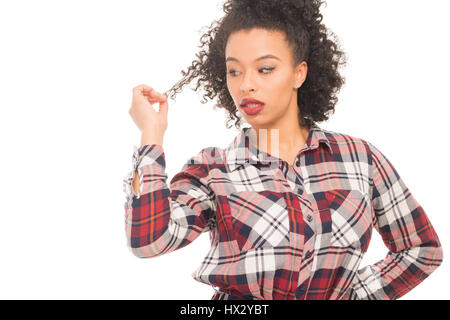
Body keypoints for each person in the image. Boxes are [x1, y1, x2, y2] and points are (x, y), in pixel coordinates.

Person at [123, 0, 443, 300]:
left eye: (264, 69)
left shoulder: (360, 158)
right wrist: (151, 135)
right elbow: (148, 240)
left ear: (298, 73)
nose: (246, 84)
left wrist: (351, 295)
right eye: (234, 71)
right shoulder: (213, 168)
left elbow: (421, 249)